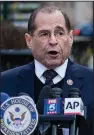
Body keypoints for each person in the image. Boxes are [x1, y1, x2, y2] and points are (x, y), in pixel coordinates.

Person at [1, 5, 93, 135]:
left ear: (70, 38)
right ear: (29, 40)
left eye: (60, 33)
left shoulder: (91, 81)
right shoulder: (5, 83)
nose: (53, 41)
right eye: (44, 34)